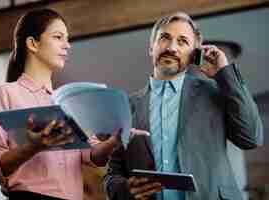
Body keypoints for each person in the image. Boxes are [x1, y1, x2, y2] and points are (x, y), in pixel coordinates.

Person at [104, 12, 263, 200]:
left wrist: (225, 74)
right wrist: (124, 189)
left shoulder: (216, 92)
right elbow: (113, 173)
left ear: (193, 55)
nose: (172, 48)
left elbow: (251, 137)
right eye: (164, 38)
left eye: (182, 42)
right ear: (151, 47)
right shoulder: (125, 106)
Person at [0, 9, 122, 200]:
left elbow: (93, 155)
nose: (67, 45)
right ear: (32, 44)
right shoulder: (5, 94)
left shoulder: (70, 104)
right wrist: (31, 147)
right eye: (58, 37)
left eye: (67, 38)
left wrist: (114, 141)